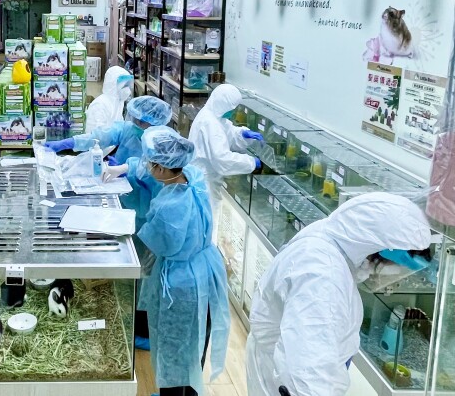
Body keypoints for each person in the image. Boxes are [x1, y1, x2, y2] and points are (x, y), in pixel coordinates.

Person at [246, 192, 432, 396]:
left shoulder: (332, 238)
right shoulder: (322, 277)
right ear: (376, 248)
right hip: (281, 379)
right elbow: (307, 375)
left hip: (277, 363)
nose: (392, 274)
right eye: (393, 264)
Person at [105, 128, 230, 395]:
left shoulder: (169, 208)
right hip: (204, 269)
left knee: (176, 348)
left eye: (151, 163)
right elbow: (150, 167)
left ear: (162, 169)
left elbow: (154, 242)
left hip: (182, 285)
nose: (147, 166)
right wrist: (125, 168)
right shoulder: (192, 177)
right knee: (193, 347)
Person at [187, 84, 262, 210]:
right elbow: (222, 159)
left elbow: (227, 131)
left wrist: (242, 134)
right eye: (231, 108)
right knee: (208, 217)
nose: (233, 111)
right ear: (223, 105)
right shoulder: (210, 123)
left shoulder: (212, 113)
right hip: (205, 182)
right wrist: (252, 162)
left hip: (204, 176)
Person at [44, 96, 172, 163]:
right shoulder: (128, 129)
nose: (136, 122)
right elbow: (99, 137)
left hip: (147, 195)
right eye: (136, 118)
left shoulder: (165, 144)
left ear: (155, 122)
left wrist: (127, 170)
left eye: (142, 121)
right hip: (119, 183)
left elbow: (158, 173)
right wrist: (68, 143)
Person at [85, 66, 134, 134]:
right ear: (113, 84)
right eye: (125, 86)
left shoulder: (119, 102)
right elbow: (95, 134)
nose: (128, 90)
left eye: (128, 85)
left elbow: (119, 125)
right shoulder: (100, 105)